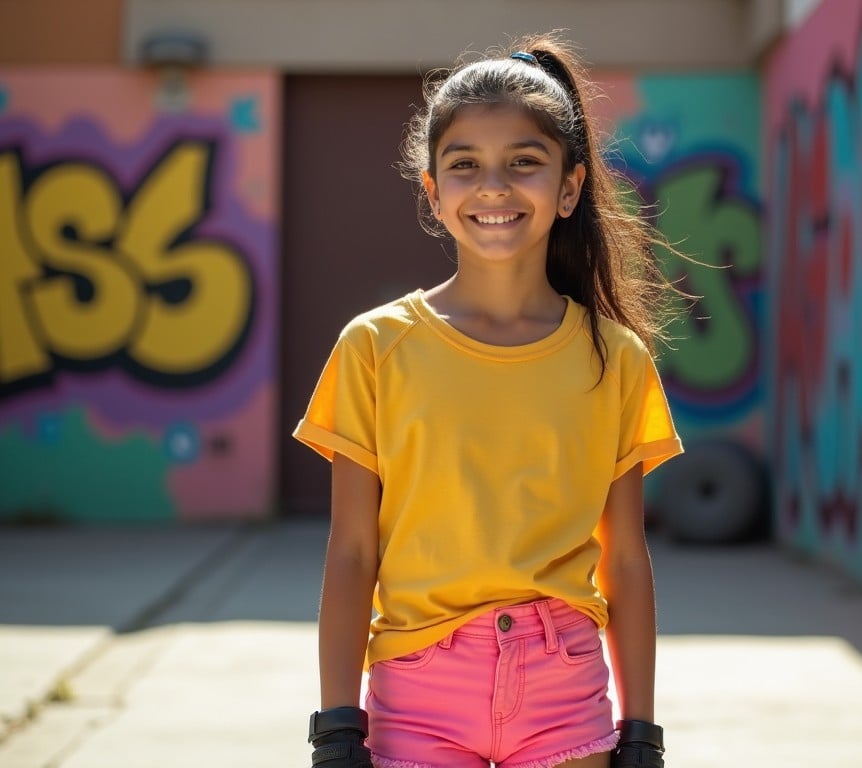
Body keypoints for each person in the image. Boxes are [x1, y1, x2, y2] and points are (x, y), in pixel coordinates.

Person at [294, 31, 689, 768]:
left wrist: (642, 730)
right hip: (416, 698)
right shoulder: (374, 347)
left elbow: (626, 562)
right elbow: (352, 552)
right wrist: (337, 722)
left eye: (525, 163)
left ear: (569, 188)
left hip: (565, 693)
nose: (494, 187)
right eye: (465, 165)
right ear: (433, 190)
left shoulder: (616, 359)